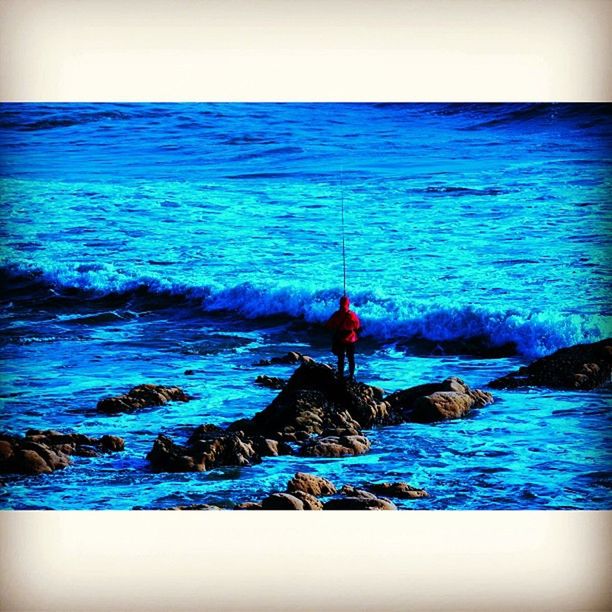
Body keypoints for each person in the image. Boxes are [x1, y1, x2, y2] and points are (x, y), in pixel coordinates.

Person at [325, 295, 360, 381]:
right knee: (351, 358)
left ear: (340, 304)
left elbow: (329, 325)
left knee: (341, 358)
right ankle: (351, 376)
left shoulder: (336, 314)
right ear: (348, 304)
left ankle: (341, 376)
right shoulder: (352, 315)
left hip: (340, 339)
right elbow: (357, 326)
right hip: (351, 339)